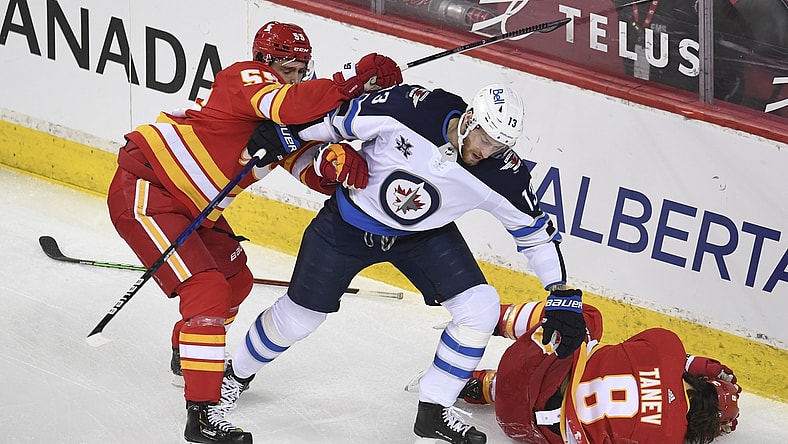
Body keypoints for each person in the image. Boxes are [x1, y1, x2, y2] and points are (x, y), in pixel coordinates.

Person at [213, 82, 588, 444]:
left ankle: (434, 410)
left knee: (480, 307)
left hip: (421, 239)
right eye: (485, 140)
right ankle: (236, 374)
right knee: (300, 318)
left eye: (499, 146)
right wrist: (288, 135)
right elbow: (338, 120)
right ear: (471, 118)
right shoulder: (414, 108)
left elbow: (534, 233)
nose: (487, 152)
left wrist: (560, 289)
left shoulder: (503, 173)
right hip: (348, 223)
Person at [105, 19, 402, 444]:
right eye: (291, 69)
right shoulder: (245, 78)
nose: (298, 77)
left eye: (302, 70)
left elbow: (307, 166)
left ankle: (186, 353)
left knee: (234, 280)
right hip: (148, 189)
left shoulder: (281, 111)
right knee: (205, 289)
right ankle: (203, 415)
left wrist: (334, 162)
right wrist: (349, 81)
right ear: (268, 61)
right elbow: (290, 107)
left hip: (192, 209)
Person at [448, 299, 742, 443]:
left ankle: (491, 318)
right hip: (522, 427)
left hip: (527, 364)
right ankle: (487, 388)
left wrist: (691, 361)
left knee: (587, 318)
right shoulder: (668, 440)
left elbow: (660, 355)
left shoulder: (667, 348)